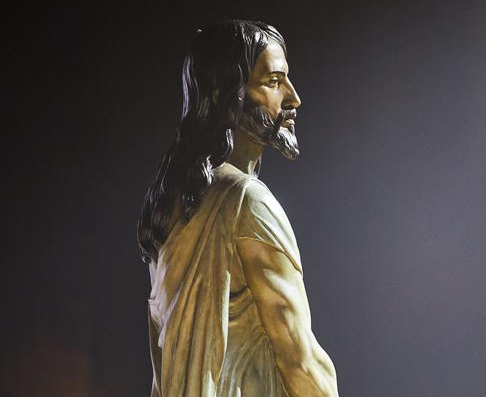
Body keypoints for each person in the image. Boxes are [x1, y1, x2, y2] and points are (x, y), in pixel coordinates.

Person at [137, 20, 338, 397]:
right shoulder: (247, 202)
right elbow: (300, 361)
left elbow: (162, 372)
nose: (293, 98)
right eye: (273, 81)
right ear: (227, 94)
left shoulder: (172, 204)